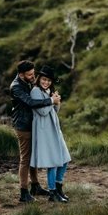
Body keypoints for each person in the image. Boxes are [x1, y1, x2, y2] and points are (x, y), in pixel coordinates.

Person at [9, 60, 60, 203]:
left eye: (33, 73)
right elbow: (31, 103)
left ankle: (35, 186)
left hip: (32, 125)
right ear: (21, 74)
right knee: (25, 159)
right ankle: (23, 193)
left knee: (33, 157)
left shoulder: (28, 82)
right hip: (23, 126)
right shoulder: (16, 87)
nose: (33, 76)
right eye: (30, 74)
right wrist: (51, 100)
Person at [29, 66, 72, 203]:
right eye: (44, 79)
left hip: (54, 129)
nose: (46, 82)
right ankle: (52, 193)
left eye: (49, 80)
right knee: (53, 162)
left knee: (64, 159)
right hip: (44, 131)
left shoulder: (49, 91)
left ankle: (59, 188)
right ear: (39, 78)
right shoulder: (35, 91)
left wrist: (57, 102)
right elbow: (41, 112)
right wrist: (52, 101)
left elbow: (54, 111)